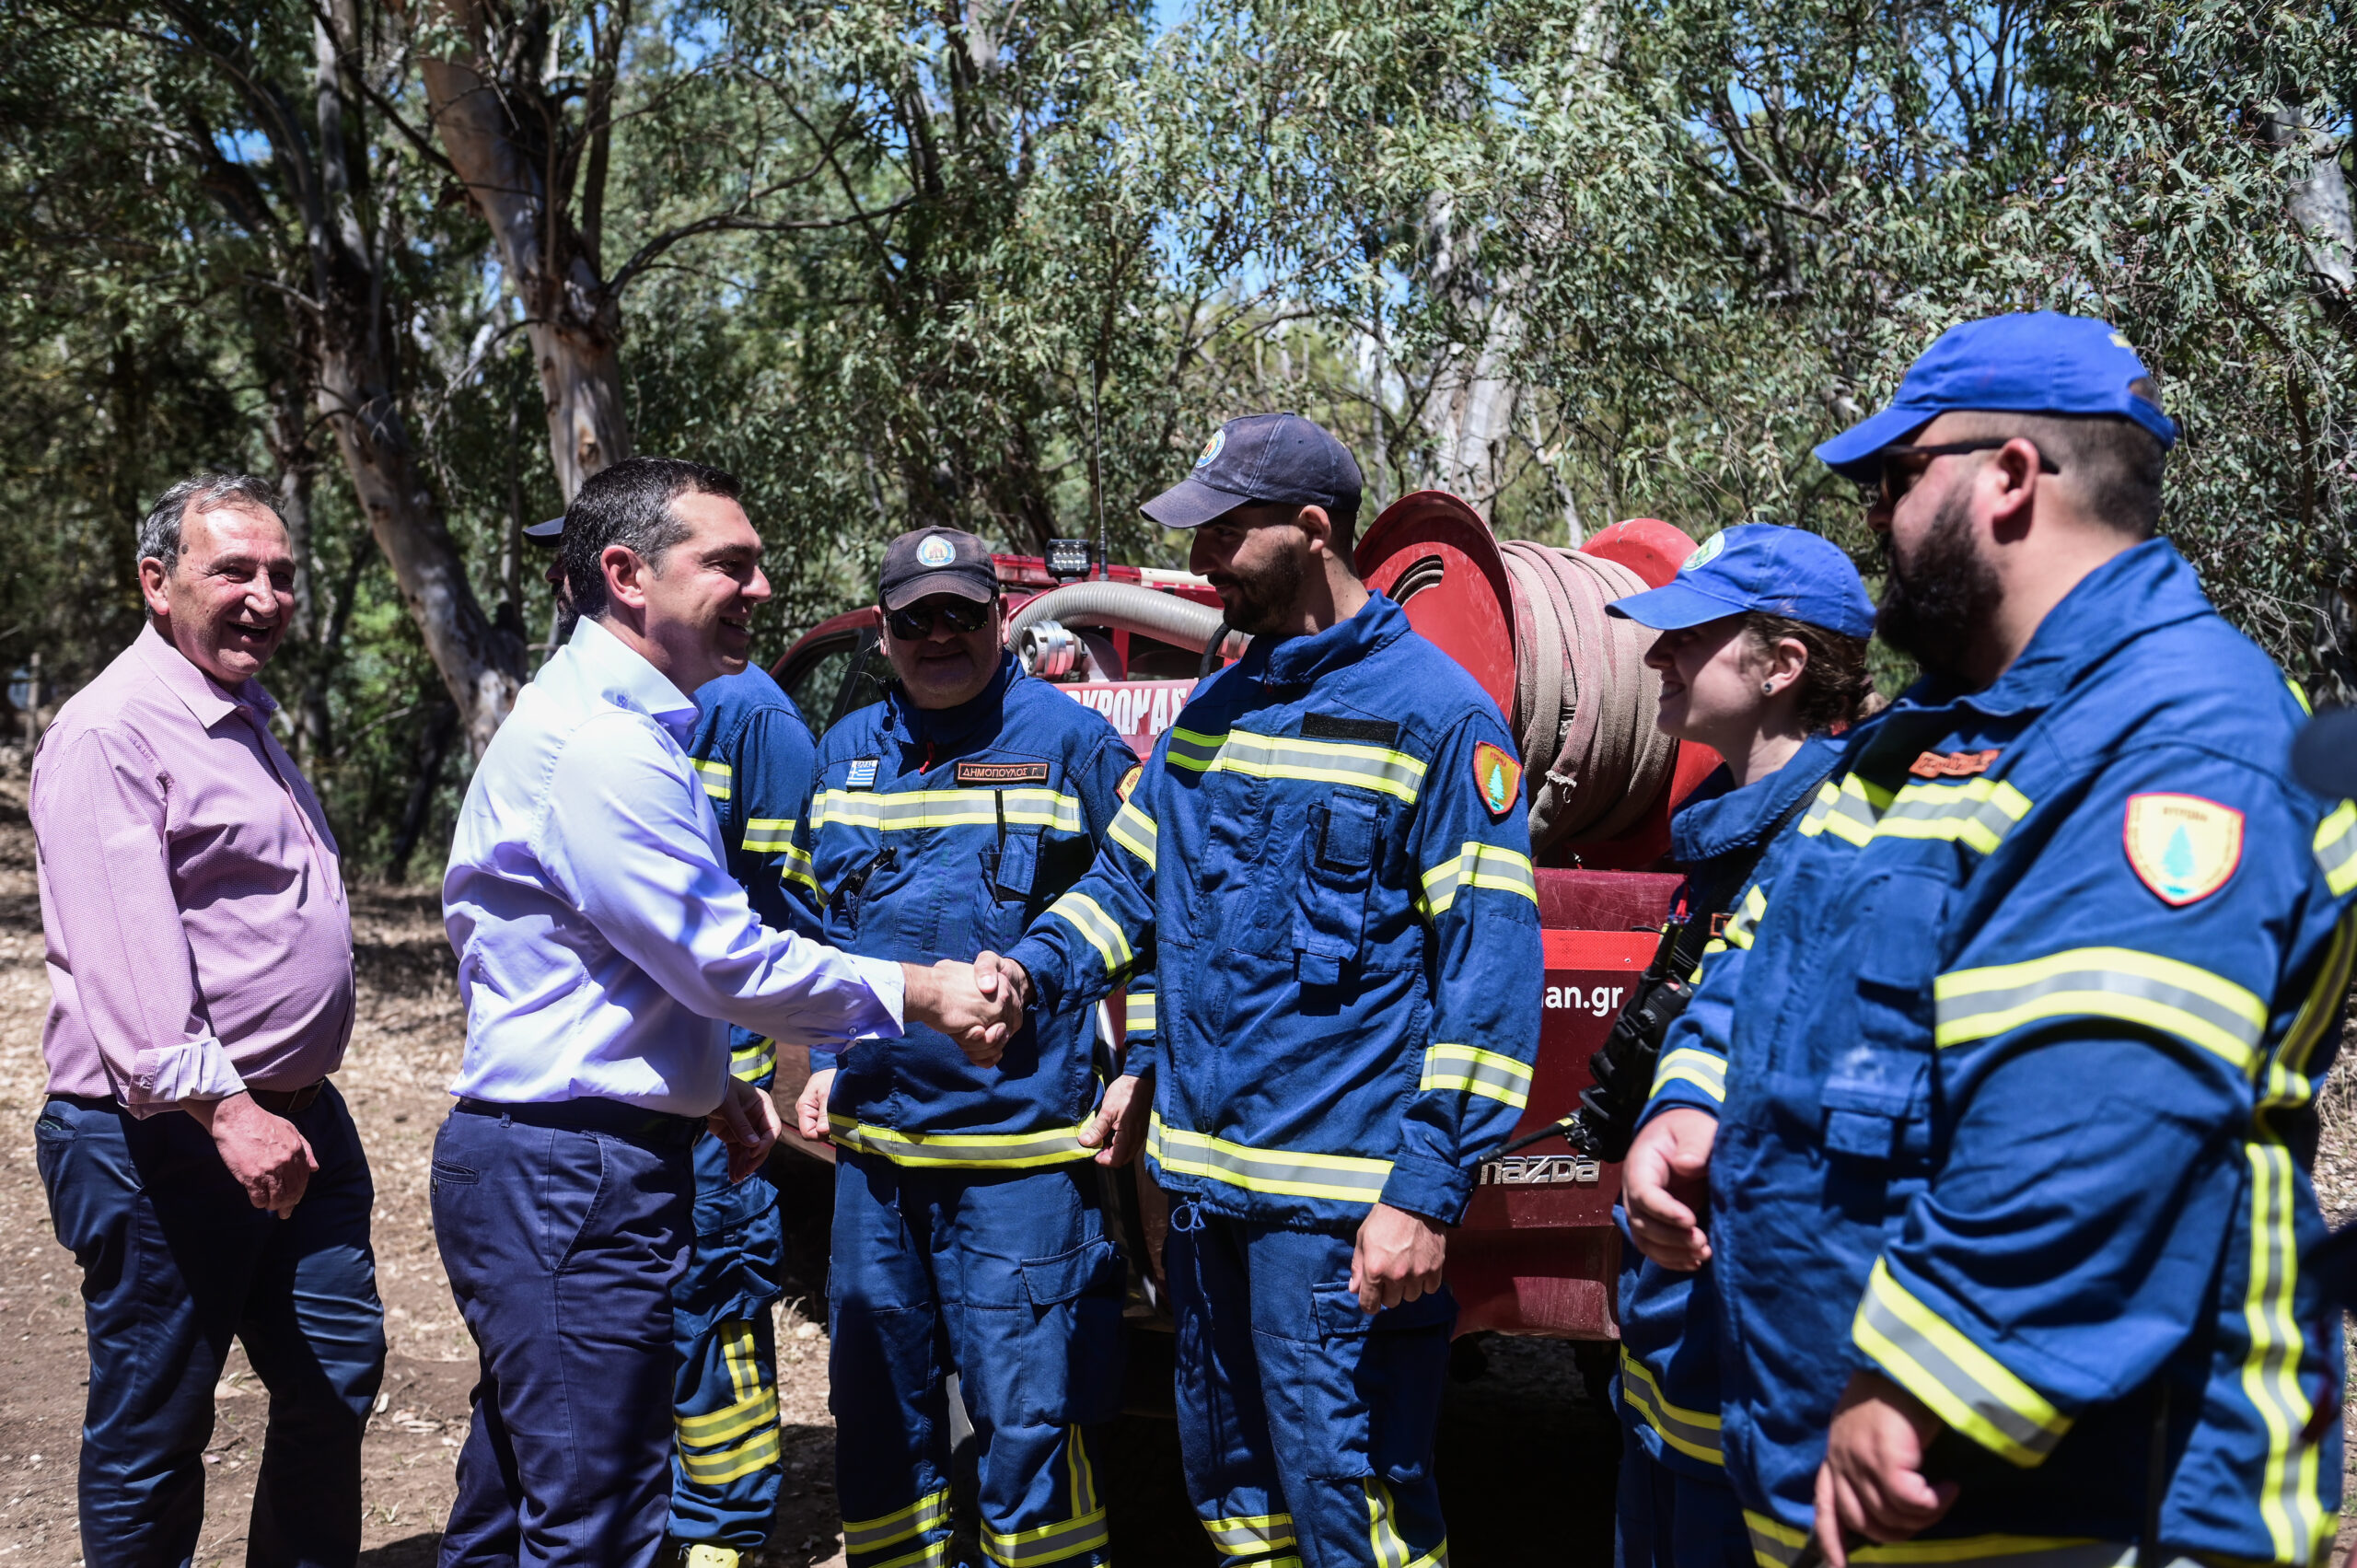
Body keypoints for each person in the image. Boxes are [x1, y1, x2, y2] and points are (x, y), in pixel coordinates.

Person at [1620, 313, 2356, 1568]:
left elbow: (2104, 1109)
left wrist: (1923, 1378)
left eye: (1897, 482)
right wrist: (1689, 1100)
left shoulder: (2179, 733)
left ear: (2009, 477)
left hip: (2078, 1506)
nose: (1878, 526)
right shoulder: (1918, 743)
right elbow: (1757, 954)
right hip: (1860, 1495)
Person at [435, 457, 1020, 1568]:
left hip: (556, 1156)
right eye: (729, 564)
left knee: (520, 1489)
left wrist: (710, 1088)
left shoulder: (610, 719)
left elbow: (618, 965)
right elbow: (719, 955)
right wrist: (920, 990)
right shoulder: (605, 744)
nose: (760, 587)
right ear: (625, 573)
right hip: (573, 1173)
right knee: (594, 1516)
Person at [983, 412, 1544, 1568]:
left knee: (1356, 1506)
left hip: (1339, 1213)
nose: (1200, 563)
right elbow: (1129, 883)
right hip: (1203, 1200)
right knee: (1234, 1490)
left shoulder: (1438, 720)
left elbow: (1489, 982)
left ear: (1312, 528)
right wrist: (1028, 973)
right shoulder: (1218, 708)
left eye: (1226, 534)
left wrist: (1424, 1194)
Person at [30, 472, 384, 1566]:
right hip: (165, 1139)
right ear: (156, 581)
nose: (267, 596)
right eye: (233, 569)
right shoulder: (112, 732)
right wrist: (229, 1112)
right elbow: (133, 974)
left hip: (296, 1118)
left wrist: (280, 1105)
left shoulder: (237, 715)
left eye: (282, 574)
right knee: (157, 1420)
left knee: (337, 1369)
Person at [785, 525, 1139, 1568]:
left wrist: (1144, 1061)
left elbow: (1150, 898)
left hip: (1018, 1166)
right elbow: (819, 928)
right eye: (916, 618)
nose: (941, 634)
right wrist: (834, 1053)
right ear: (886, 633)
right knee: (877, 1426)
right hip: (878, 1165)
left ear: (1000, 621)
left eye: (962, 613)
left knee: (1029, 1428)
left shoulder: (1068, 741)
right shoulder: (843, 750)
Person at [528, 513, 826, 1567]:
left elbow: (795, 910)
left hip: (718, 1092)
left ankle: (723, 1529)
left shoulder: (749, 714)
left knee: (720, 1301)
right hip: (610, 1102)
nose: (562, 584)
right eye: (557, 564)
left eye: (575, 563)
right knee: (616, 1323)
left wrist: (815, 1059)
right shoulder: (572, 709)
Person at [1595, 525, 1876, 1568]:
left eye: (1687, 636)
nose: (1654, 656)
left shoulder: (1834, 846)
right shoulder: (1723, 833)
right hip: (1671, 1351)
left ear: (1781, 665)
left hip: (1752, 1364)